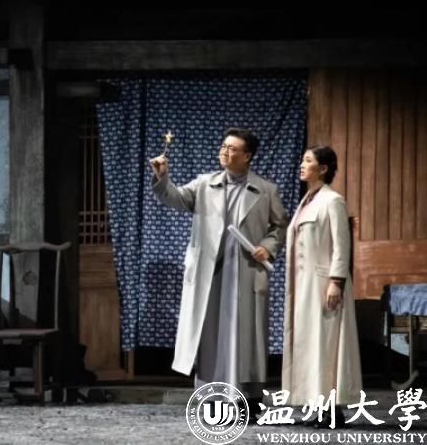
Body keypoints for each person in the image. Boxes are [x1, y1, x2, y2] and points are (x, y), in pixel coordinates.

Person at [150, 128, 288, 413]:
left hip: (245, 271)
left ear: (247, 156)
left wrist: (267, 247)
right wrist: (163, 177)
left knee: (244, 337)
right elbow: (174, 197)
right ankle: (212, 398)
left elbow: (280, 226)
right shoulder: (205, 184)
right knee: (211, 336)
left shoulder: (265, 190)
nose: (225, 151)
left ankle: (248, 399)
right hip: (211, 272)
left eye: (232, 148)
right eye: (224, 146)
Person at [281, 146, 362, 428]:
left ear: (323, 168)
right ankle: (318, 406)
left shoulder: (332, 201)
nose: (302, 165)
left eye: (308, 161)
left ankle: (332, 410)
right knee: (311, 346)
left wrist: (336, 282)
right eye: (303, 160)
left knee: (326, 346)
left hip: (323, 284)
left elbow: (342, 245)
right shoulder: (307, 200)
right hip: (304, 287)